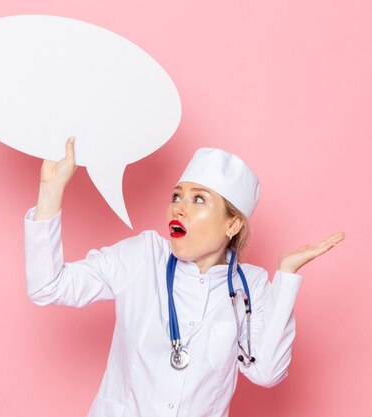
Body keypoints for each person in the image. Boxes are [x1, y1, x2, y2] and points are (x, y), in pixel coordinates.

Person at [24, 137, 344, 417]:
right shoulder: (144, 257)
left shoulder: (252, 285)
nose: (178, 209)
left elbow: (266, 372)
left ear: (232, 225)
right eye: (177, 196)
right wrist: (50, 191)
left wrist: (285, 277)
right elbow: (48, 287)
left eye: (198, 199)